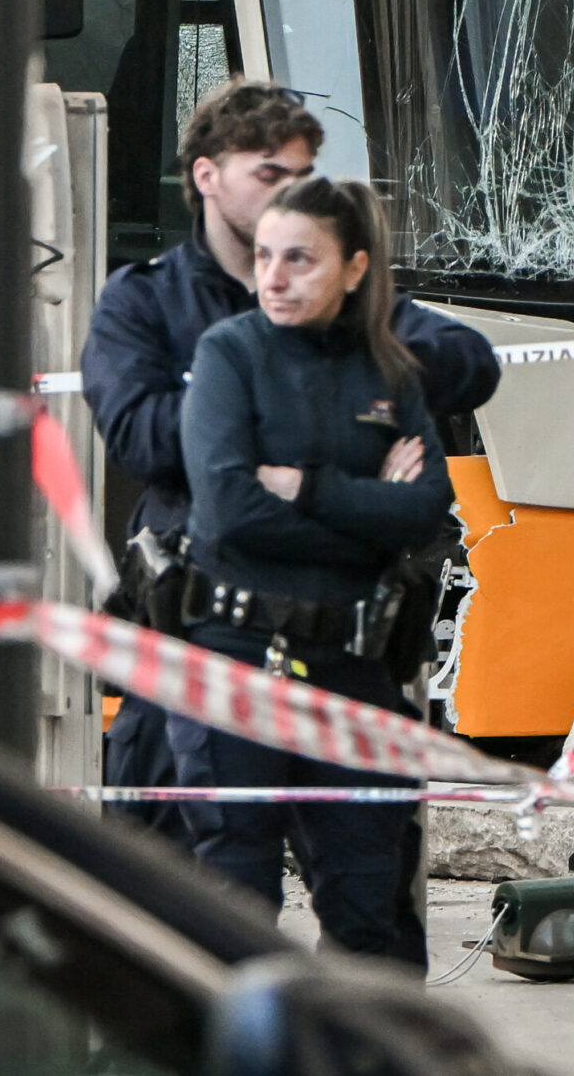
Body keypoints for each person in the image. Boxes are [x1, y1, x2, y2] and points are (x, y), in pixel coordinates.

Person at [80, 79, 499, 849]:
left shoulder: (346, 297)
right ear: (207, 176)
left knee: (370, 908)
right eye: (269, 174)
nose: (292, 191)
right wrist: (333, 416)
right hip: (200, 644)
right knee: (181, 891)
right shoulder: (144, 303)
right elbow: (140, 437)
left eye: (303, 175)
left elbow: (471, 364)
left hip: (344, 641)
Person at [171, 175, 459, 960]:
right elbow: (229, 508)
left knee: (371, 909)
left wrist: (306, 488)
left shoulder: (388, 375)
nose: (274, 275)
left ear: (355, 268)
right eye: (264, 255)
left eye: (299, 258)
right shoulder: (228, 355)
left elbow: (426, 508)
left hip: (355, 664)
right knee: (234, 911)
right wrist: (365, 511)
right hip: (236, 660)